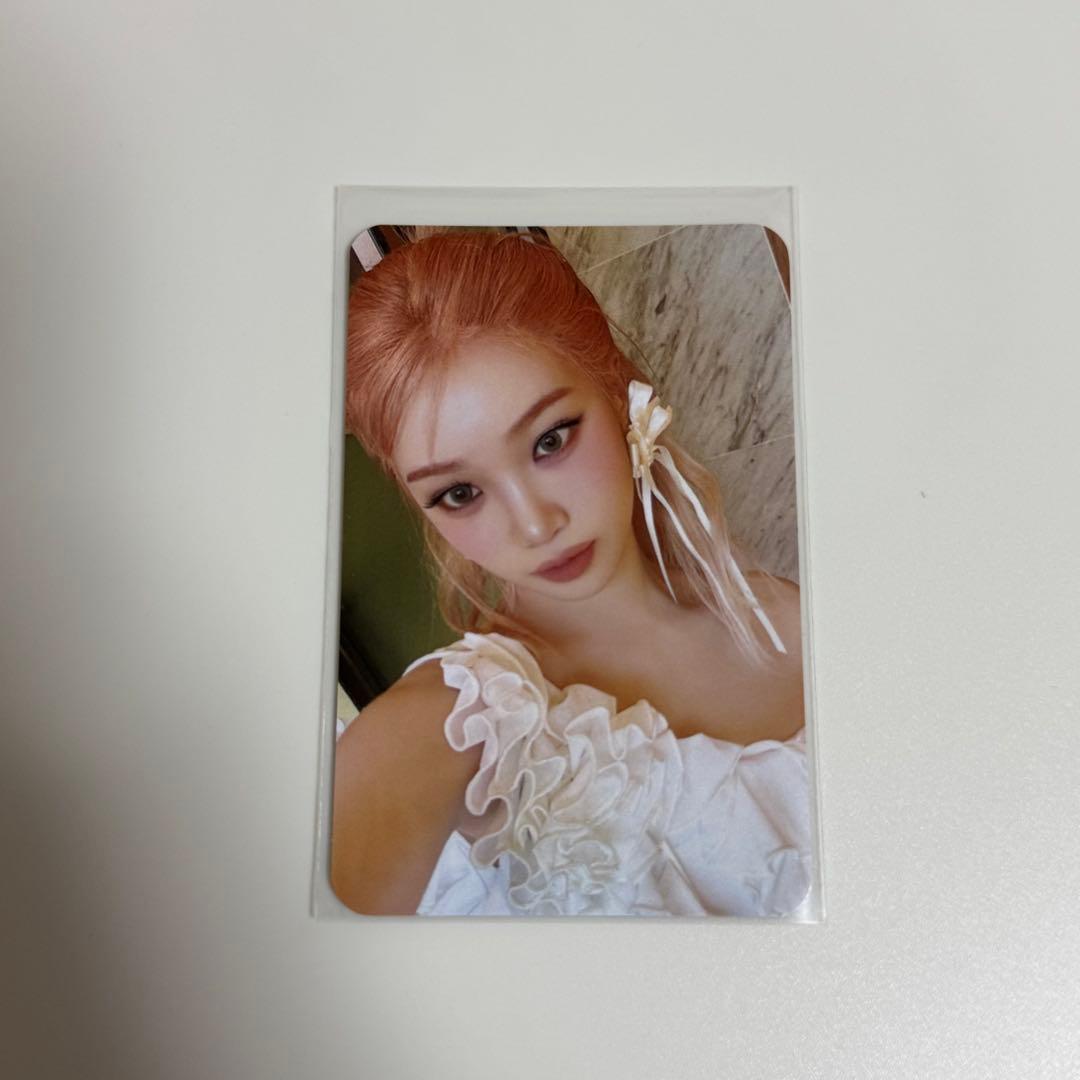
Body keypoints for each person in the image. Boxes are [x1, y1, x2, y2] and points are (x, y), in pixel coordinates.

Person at [331, 230, 808, 917]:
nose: (534, 525)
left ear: (618, 395)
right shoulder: (460, 723)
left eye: (550, 440)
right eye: (460, 493)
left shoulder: (784, 614)